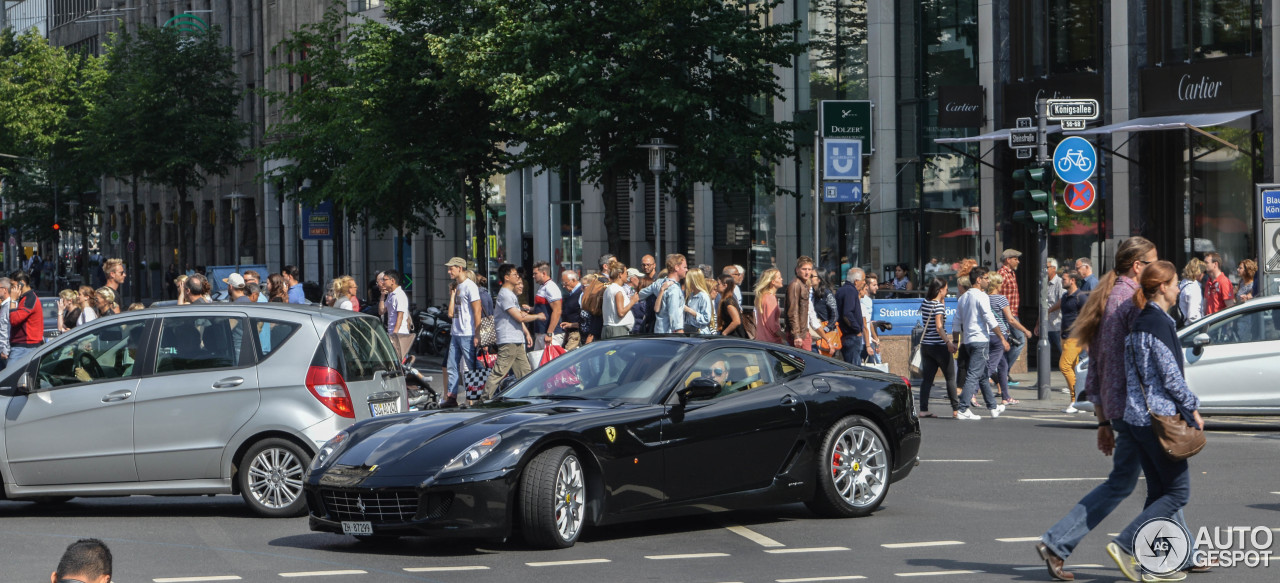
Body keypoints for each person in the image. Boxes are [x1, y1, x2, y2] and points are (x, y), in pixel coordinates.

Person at [1036, 236, 1158, 582]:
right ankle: (1057, 542)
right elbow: (1118, 362)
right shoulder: (1129, 300)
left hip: (1122, 408)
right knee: (1166, 485)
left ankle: (1056, 543)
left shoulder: (1112, 296)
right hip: (1137, 407)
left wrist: (1103, 417)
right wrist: (1105, 417)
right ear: (1138, 266)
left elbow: (1099, 364)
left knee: (1143, 482)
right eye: (1154, 263)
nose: (1160, 271)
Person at [1109, 260, 1203, 581]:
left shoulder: (1139, 323)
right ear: (1162, 287)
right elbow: (1171, 378)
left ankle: (1153, 565)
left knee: (1158, 492)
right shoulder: (1158, 325)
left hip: (1136, 419)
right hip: (1158, 420)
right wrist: (1192, 409)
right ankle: (1125, 543)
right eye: (1175, 283)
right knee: (1177, 494)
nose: (1179, 288)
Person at [951, 266, 1006, 420]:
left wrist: (956, 340)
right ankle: (963, 408)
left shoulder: (963, 297)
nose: (988, 281)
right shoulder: (982, 296)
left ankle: (993, 407)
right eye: (986, 278)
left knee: (982, 375)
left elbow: (956, 322)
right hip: (980, 340)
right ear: (978, 279)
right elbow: (989, 318)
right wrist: (1002, 338)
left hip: (968, 341)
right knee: (974, 375)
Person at [486, 264, 543, 397]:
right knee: (499, 372)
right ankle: (484, 399)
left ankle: (533, 398)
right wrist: (537, 316)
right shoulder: (505, 295)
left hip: (516, 339)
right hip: (508, 339)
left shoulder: (510, 294)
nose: (517, 277)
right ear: (506, 277)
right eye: (514, 275)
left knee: (526, 373)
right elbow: (518, 316)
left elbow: (518, 317)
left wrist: (526, 333)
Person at [917, 277, 958, 418]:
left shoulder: (925, 302)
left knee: (927, 380)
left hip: (926, 346)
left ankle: (923, 409)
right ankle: (956, 409)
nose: (947, 291)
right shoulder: (938, 306)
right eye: (946, 289)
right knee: (951, 378)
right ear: (940, 290)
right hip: (939, 346)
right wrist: (948, 342)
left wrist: (942, 300)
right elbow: (940, 327)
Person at [986, 273, 1027, 406]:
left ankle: (1006, 396)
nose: (1002, 285)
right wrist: (1025, 330)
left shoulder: (985, 298)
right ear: (997, 284)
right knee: (991, 367)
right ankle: (972, 392)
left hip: (987, 335)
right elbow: (1010, 319)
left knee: (1002, 366)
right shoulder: (1001, 299)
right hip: (999, 336)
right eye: (1001, 283)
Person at [1052, 269, 1089, 412]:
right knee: (1073, 369)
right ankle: (1077, 401)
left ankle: (1075, 400)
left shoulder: (1081, 297)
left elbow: (1088, 317)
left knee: (1064, 366)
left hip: (1076, 338)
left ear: (1072, 280)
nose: (1062, 281)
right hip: (1065, 337)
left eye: (1064, 279)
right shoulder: (1065, 296)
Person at [641, 254, 689, 334]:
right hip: (670, 335)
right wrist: (680, 332)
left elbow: (641, 294)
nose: (686, 270)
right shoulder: (674, 289)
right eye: (684, 267)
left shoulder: (659, 282)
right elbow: (674, 317)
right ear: (676, 267)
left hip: (659, 331)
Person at [997, 249, 1028, 373]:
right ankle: (1004, 371)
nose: (1018, 262)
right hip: (1008, 314)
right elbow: (997, 292)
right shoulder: (1002, 274)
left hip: (1013, 313)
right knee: (1020, 340)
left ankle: (1003, 372)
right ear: (1007, 260)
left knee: (1011, 342)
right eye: (1015, 259)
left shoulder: (1011, 273)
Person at [529, 261, 563, 362]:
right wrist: (531, 309)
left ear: (544, 273)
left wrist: (549, 333)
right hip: (542, 332)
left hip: (550, 334)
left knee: (550, 364)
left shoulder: (551, 287)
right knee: (539, 364)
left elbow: (557, 311)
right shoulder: (543, 286)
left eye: (535, 273)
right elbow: (545, 308)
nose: (533, 276)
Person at [8, 271, 44, 363]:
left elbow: (14, 320)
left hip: (25, 346)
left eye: (13, 285)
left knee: (9, 376)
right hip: (23, 345)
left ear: (22, 283)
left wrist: (12, 300)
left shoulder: (29, 299)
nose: (11, 288)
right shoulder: (25, 298)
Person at [383, 269, 416, 361]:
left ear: (392, 281)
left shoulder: (400, 295)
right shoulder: (390, 295)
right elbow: (381, 311)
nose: (383, 282)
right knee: (396, 361)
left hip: (399, 334)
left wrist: (394, 334)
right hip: (392, 332)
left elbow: (400, 317)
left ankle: (417, 375)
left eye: (385, 280)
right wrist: (382, 296)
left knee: (400, 360)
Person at [836, 267, 865, 364]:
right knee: (854, 368)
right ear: (856, 281)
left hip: (846, 335)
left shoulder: (842, 290)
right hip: (851, 335)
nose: (864, 282)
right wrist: (857, 329)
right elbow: (847, 314)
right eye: (863, 280)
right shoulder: (850, 291)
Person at [785, 256, 815, 350]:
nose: (807, 272)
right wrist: (797, 335)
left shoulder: (803, 284)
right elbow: (793, 312)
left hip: (803, 332)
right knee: (802, 362)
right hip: (799, 335)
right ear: (797, 270)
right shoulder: (795, 284)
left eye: (809, 269)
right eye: (804, 269)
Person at [603, 261, 638, 338]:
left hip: (609, 327)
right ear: (620, 274)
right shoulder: (618, 290)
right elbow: (621, 313)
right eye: (626, 273)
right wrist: (633, 301)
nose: (627, 275)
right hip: (618, 329)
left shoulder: (609, 289)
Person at [752, 268, 784, 344]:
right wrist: (786, 337)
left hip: (761, 339)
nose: (782, 279)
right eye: (779, 278)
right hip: (771, 341)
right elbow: (772, 325)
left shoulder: (762, 296)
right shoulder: (770, 298)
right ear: (773, 282)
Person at [679, 268, 715, 335]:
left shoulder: (704, 296)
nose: (686, 281)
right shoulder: (691, 295)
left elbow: (706, 319)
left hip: (700, 333)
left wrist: (690, 311)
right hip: (689, 331)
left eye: (688, 279)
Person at [558, 270, 584, 349]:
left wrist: (572, 325)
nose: (563, 286)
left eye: (565, 283)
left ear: (573, 280)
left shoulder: (581, 293)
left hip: (577, 332)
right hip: (569, 332)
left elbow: (585, 316)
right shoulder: (571, 294)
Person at [1176, 259, 1205, 328]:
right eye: (1203, 272)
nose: (1204, 275)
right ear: (1199, 272)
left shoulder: (1183, 283)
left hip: (1182, 324)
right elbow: (1192, 315)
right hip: (1191, 327)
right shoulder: (1194, 287)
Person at [862, 274, 881, 363]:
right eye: (874, 285)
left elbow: (868, 322)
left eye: (877, 285)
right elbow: (865, 323)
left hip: (867, 340)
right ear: (867, 286)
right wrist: (868, 343)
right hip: (864, 342)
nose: (877, 287)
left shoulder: (868, 300)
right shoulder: (865, 300)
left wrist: (875, 338)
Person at [0, 278, 10, 371]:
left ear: (5, 290)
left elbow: (6, 329)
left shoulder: (8, 306)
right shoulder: (4, 305)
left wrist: (4, 350)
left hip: (5, 352)